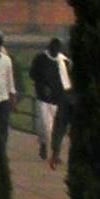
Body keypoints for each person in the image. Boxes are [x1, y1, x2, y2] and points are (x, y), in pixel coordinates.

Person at [30, 37, 74, 169]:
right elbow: (33, 74)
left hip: (60, 98)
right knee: (44, 125)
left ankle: (54, 152)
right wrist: (42, 84)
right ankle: (43, 143)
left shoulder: (64, 61)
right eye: (54, 48)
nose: (56, 51)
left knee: (55, 127)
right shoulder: (41, 59)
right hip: (44, 98)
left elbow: (68, 78)